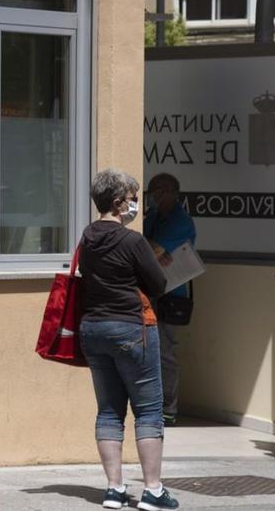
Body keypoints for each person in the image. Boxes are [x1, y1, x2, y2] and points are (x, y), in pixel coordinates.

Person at [79, 168, 178, 511]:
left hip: (93, 328)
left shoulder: (87, 236)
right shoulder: (132, 240)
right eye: (134, 199)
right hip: (132, 328)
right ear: (119, 202)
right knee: (149, 410)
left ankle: (114, 489)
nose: (137, 205)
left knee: (109, 411)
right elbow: (158, 285)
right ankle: (152, 490)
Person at [142, 172, 196, 425]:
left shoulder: (180, 221)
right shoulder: (152, 217)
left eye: (160, 191)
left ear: (174, 193)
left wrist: (149, 246)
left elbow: (152, 248)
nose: (154, 196)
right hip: (149, 290)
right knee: (148, 349)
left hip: (171, 294)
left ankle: (168, 408)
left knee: (166, 351)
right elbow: (144, 247)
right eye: (152, 190)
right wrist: (149, 246)